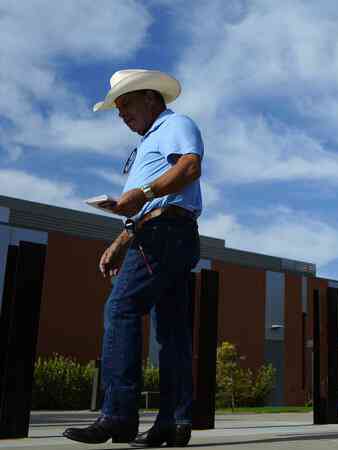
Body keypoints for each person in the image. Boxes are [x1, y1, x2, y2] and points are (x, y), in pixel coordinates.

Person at [63, 69, 203, 447]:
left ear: (151, 99)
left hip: (165, 234)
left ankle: (118, 416)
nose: (121, 114)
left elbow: (189, 168)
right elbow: (151, 205)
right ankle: (173, 423)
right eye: (117, 108)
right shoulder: (148, 145)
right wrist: (119, 243)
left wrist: (140, 193)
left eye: (125, 104)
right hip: (165, 231)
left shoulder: (174, 125)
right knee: (171, 333)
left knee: (120, 309)